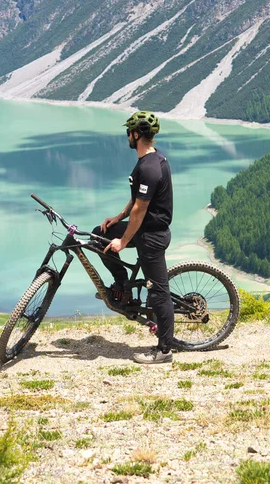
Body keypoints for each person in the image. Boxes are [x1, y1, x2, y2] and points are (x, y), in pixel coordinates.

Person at [92, 110, 174, 364]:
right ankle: (122, 286)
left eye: (129, 132)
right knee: (99, 237)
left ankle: (164, 351)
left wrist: (124, 241)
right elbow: (136, 200)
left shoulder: (149, 167)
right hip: (142, 228)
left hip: (152, 235)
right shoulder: (148, 160)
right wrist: (117, 219)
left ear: (136, 134)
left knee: (158, 292)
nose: (127, 136)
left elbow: (140, 209)